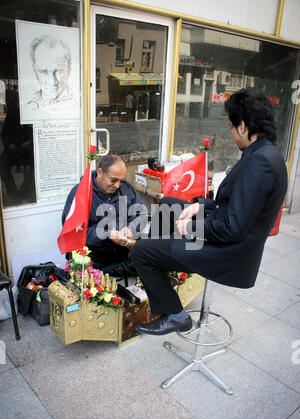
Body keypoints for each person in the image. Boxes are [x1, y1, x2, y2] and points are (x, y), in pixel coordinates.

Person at [131, 88, 288, 336]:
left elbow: (233, 227)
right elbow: (235, 205)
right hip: (225, 232)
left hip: (229, 253)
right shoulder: (264, 153)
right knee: (168, 204)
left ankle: (175, 314)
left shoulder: (261, 162)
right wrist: (199, 206)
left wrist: (190, 228)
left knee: (141, 252)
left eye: (231, 126)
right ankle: (163, 268)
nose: (232, 132)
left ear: (244, 127)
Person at [62, 154, 148, 267]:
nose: (117, 185)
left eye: (121, 181)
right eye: (113, 180)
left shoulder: (126, 189)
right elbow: (73, 233)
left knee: (151, 254)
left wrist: (131, 227)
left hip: (120, 251)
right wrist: (107, 234)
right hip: (93, 253)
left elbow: (141, 214)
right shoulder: (80, 193)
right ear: (100, 172)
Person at [25, 35, 76, 110]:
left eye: (59, 70)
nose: (52, 81)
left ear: (69, 69)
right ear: (35, 71)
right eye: (43, 71)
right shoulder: (28, 108)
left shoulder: (79, 104)